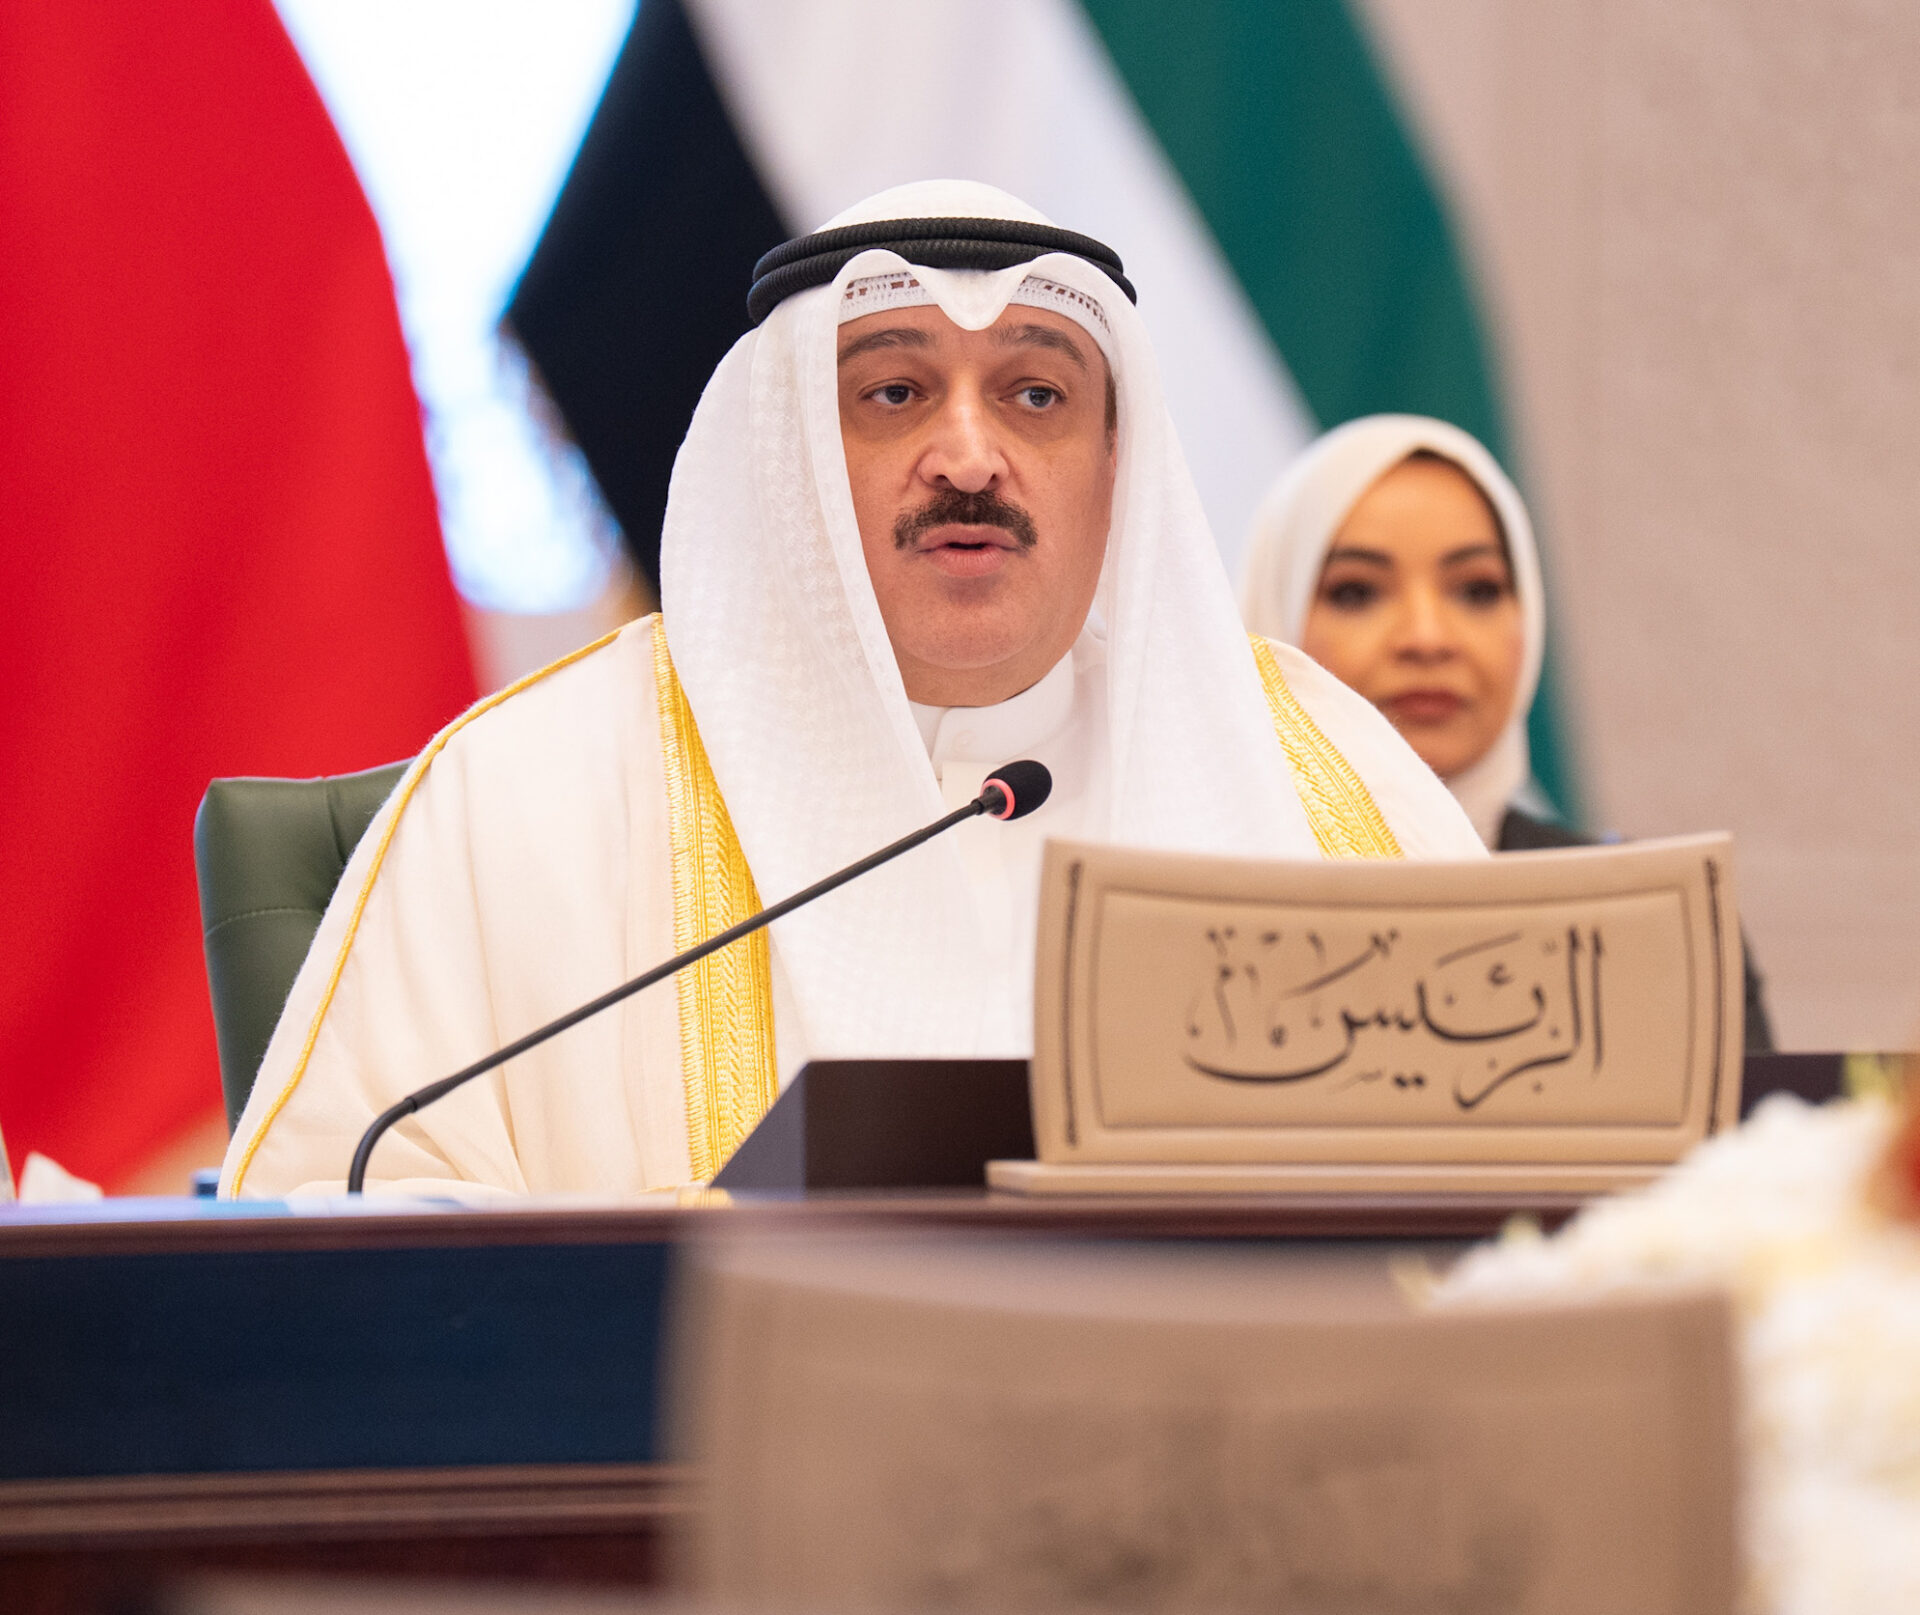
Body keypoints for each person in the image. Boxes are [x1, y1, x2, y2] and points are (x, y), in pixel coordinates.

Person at [221, 184, 1484, 1201]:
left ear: (1117, 461)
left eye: (1036, 395)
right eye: (893, 394)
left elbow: (1528, 1185)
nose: (970, 457)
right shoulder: (520, 794)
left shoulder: (1323, 778)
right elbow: (337, 1215)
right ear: (790, 456)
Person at [1239, 412, 1773, 1049]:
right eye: (1357, 593)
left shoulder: (1660, 923)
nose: (1427, 638)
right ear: (1273, 617)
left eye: (1477, 590)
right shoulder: (1198, 901)